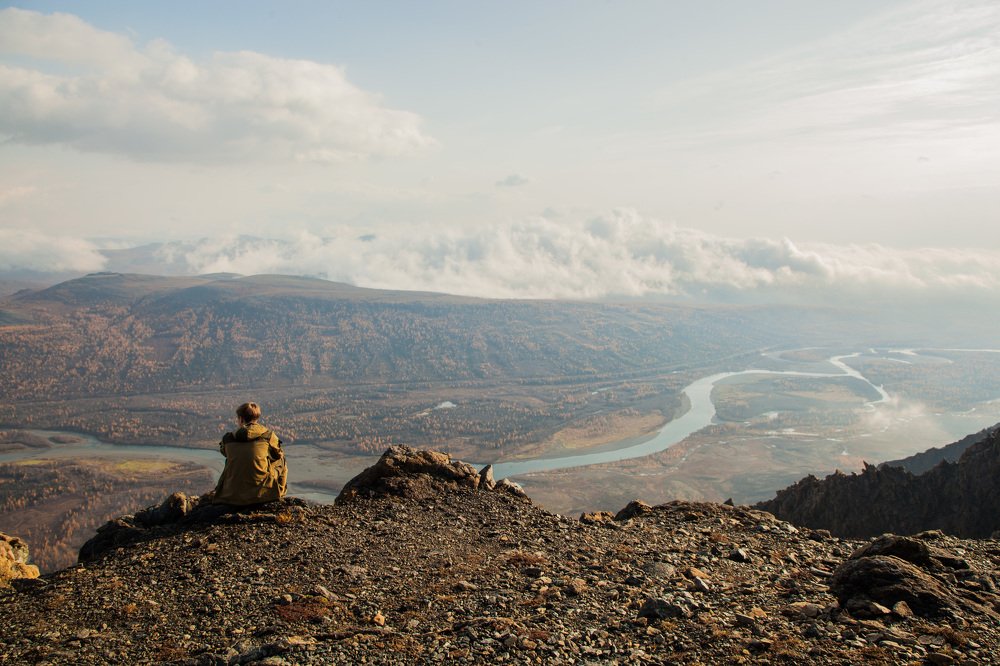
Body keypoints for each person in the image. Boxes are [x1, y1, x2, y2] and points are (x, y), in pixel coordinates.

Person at [213, 402, 288, 505]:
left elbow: (225, 453)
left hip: (231, 495)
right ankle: (278, 493)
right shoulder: (268, 436)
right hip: (262, 494)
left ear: (241, 419)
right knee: (281, 459)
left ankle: (232, 489)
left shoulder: (228, 439)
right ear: (257, 417)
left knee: (232, 459)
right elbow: (277, 455)